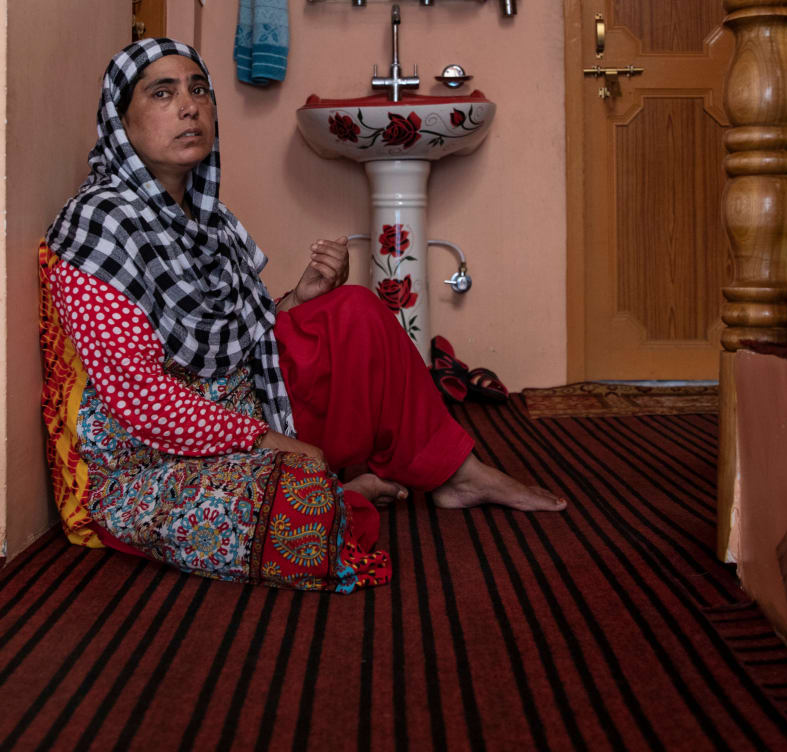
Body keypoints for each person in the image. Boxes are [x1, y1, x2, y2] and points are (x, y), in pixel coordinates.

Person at [39, 38, 565, 594]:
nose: (189, 106)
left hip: (239, 399)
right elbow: (144, 401)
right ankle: (344, 487)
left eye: (198, 89)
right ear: (120, 121)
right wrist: (273, 442)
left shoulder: (207, 220)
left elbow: (238, 337)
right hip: (151, 454)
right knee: (299, 502)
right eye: (162, 93)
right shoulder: (100, 224)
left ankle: (457, 474)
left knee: (356, 309)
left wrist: (299, 297)